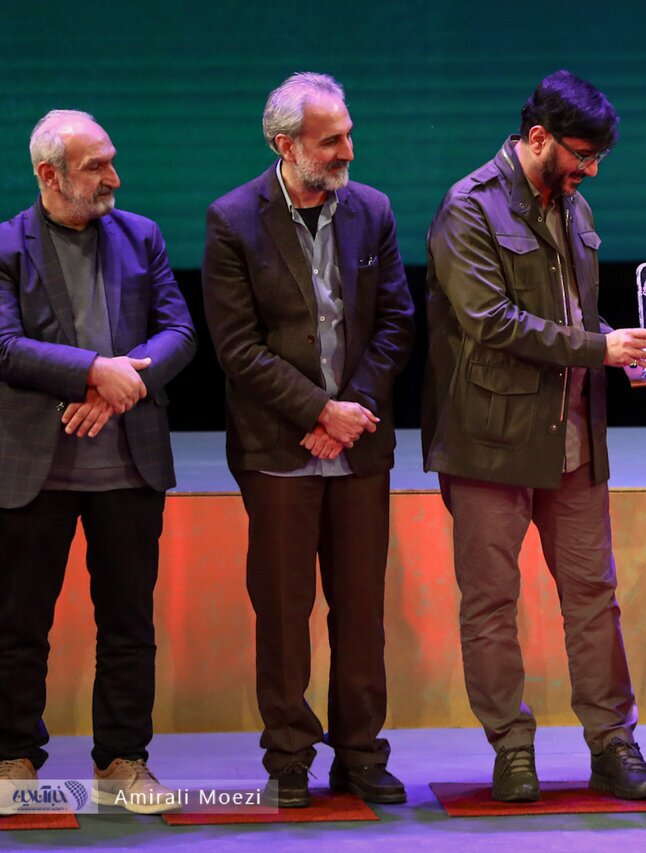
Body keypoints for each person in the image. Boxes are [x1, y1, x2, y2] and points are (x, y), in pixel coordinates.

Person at [422, 70, 646, 803]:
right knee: (491, 602)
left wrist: (628, 348)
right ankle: (511, 747)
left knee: (594, 596)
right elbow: (491, 322)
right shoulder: (468, 207)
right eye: (582, 155)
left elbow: (572, 315)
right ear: (537, 138)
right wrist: (598, 348)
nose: (591, 170)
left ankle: (613, 743)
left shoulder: (575, 204)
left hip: (574, 439)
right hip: (490, 442)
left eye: (597, 158)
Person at [203, 72, 415, 808]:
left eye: (348, 135)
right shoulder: (233, 219)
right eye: (331, 141)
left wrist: (353, 409)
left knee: (361, 611)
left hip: (360, 445)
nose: (347, 150)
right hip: (278, 448)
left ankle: (360, 754)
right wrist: (319, 413)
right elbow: (237, 347)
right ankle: (289, 757)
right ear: (285, 145)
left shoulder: (373, 210)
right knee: (285, 613)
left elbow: (396, 322)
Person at [0, 110, 196, 814]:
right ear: (49, 175)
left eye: (112, 160)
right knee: (18, 628)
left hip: (128, 464)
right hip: (34, 469)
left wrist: (119, 387)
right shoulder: (6, 246)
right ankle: (12, 757)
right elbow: (5, 345)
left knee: (129, 627)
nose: (114, 177)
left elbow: (180, 330)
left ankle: (122, 760)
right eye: (96, 166)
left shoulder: (142, 235)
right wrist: (92, 372)